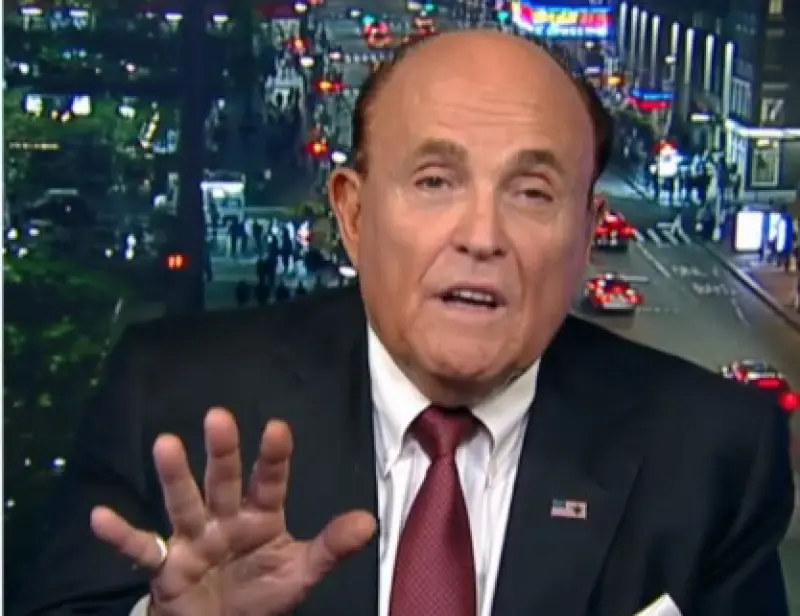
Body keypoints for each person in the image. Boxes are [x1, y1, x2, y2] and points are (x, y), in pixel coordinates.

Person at [15, 31, 794, 616]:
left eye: (531, 193)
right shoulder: (171, 400)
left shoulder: (712, 453)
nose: (482, 236)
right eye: (434, 181)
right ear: (353, 215)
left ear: (588, 234)